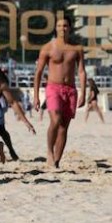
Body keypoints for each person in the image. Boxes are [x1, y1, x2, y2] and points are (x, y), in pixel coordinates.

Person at [33, 17, 86, 168]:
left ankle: (56, 161)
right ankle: (49, 152)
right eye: (59, 25)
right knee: (55, 120)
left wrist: (83, 92)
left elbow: (81, 71)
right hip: (53, 88)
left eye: (65, 26)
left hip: (70, 90)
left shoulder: (77, 49)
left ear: (70, 28)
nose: (62, 28)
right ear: (55, 28)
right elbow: (38, 72)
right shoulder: (48, 48)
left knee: (64, 127)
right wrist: (36, 96)